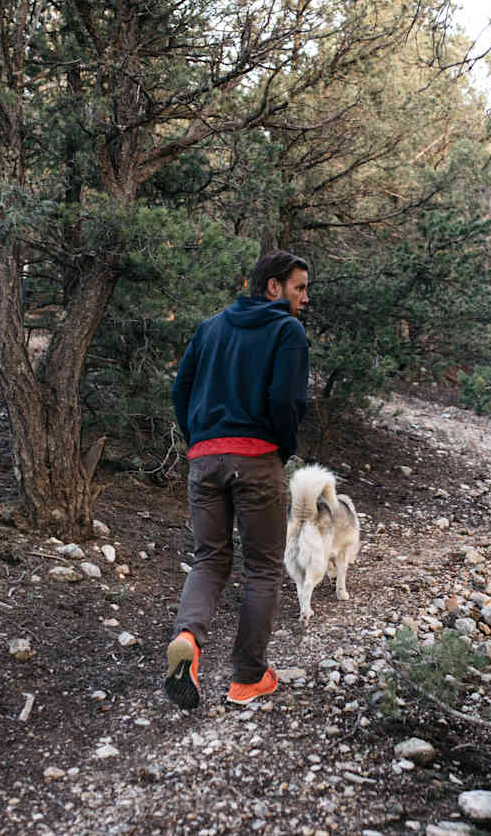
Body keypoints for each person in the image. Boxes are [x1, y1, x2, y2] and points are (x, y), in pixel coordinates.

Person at [165, 249, 310, 709]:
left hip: (205, 458)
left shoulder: (210, 328)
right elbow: (286, 402)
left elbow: (180, 389)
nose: (305, 298)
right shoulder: (287, 331)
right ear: (273, 286)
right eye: (299, 287)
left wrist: (200, 439)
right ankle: (247, 678)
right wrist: (280, 449)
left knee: (209, 560)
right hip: (257, 459)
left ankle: (188, 639)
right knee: (263, 567)